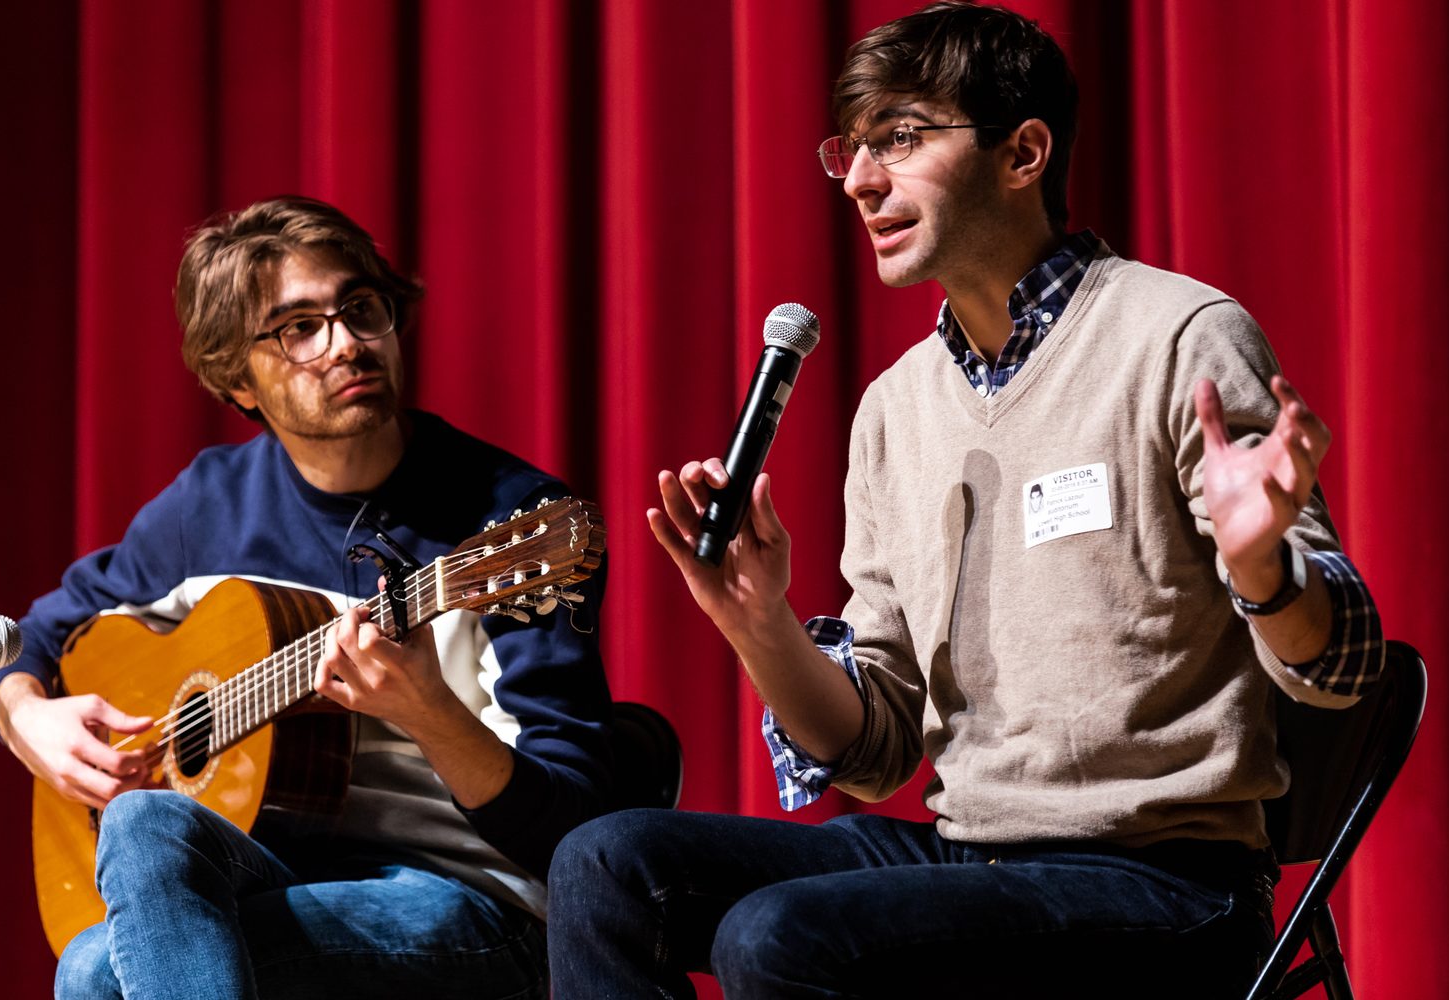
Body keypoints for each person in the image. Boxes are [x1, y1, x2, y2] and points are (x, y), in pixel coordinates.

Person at [546, 3, 1383, 997]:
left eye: (899, 138)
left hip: (1162, 884)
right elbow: (873, 749)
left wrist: (1261, 568)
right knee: (604, 865)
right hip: (969, 860)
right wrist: (758, 623)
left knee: (778, 937)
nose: (859, 179)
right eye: (850, 150)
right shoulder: (895, 410)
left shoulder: (1178, 336)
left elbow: (1347, 668)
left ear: (1023, 152)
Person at [0, 196, 613, 999]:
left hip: (472, 906)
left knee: (91, 971)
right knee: (142, 820)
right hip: (277, 871)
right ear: (236, 380)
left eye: (361, 309)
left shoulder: (513, 524)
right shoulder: (205, 510)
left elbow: (575, 831)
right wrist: (27, 716)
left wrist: (430, 714)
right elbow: (33, 640)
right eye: (298, 328)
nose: (346, 343)